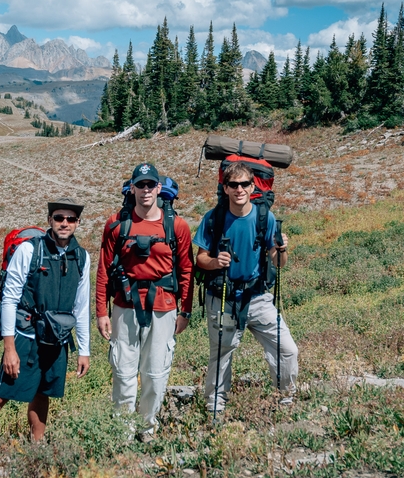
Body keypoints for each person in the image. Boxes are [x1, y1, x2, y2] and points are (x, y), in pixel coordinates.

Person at [0, 198, 90, 446]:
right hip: (26, 336)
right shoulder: (29, 250)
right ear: (49, 220)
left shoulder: (82, 257)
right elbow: (10, 299)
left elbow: (82, 305)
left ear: (77, 223)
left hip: (57, 339)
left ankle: (37, 448)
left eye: (70, 219)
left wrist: (84, 350)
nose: (64, 223)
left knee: (42, 393)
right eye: (58, 218)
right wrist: (9, 349)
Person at [96, 162, 193, 439]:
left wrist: (185, 310)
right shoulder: (117, 224)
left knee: (155, 374)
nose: (146, 190)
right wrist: (101, 311)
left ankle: (147, 428)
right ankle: (122, 433)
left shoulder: (177, 226)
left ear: (159, 188)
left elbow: (186, 269)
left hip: (164, 307)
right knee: (124, 373)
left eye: (151, 185)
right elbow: (103, 268)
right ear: (133, 188)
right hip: (124, 306)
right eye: (141, 185)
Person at [193, 161, 298, 413]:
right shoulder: (213, 218)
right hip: (223, 297)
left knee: (287, 349)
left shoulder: (265, 218)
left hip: (258, 296)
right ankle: (215, 406)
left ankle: (286, 399)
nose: (239, 189)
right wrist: (216, 261)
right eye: (233, 185)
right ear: (225, 188)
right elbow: (200, 259)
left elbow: (278, 261)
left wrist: (282, 250)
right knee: (221, 353)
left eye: (244, 184)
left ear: (253, 187)